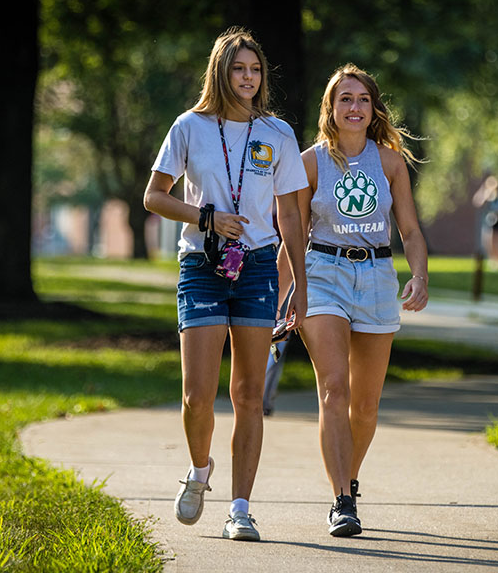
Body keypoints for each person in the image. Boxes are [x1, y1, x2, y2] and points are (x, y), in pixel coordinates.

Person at [143, 27, 308, 542]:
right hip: (202, 263)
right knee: (197, 396)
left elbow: (290, 216)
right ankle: (198, 471)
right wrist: (207, 218)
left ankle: (241, 507)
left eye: (255, 70)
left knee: (248, 395)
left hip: (258, 266)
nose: (248, 78)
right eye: (239, 69)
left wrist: (299, 283)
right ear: (221, 71)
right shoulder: (189, 127)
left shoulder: (277, 132)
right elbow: (154, 196)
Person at [293, 64, 429, 537]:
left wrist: (421, 275)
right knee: (334, 388)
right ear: (330, 108)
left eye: (363, 100)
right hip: (323, 272)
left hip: (375, 275)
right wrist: (289, 290)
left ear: (374, 110)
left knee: (366, 406)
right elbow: (292, 231)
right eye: (345, 99)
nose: (355, 107)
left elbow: (409, 230)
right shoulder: (310, 161)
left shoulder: (390, 162)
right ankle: (341, 501)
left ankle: (348, 478)